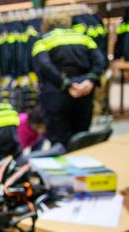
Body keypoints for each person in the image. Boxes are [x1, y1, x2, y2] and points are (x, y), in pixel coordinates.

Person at [31, 13, 106, 147]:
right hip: (85, 92)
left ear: (46, 25)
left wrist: (66, 84)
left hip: (56, 94)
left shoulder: (42, 42)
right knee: (82, 137)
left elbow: (45, 66)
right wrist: (90, 80)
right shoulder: (85, 38)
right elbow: (100, 61)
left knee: (60, 140)